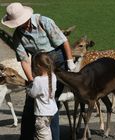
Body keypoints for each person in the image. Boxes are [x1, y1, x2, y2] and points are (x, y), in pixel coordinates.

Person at [1, 2, 76, 140]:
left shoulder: (44, 22)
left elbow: (63, 41)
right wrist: (32, 81)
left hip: (57, 60)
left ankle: (53, 137)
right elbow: (24, 60)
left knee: (51, 103)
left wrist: (70, 62)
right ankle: (26, 137)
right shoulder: (18, 36)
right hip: (39, 65)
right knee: (30, 103)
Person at [27, 52, 57, 140]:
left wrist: (28, 89)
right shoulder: (53, 76)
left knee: (43, 136)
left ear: (39, 66)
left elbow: (33, 94)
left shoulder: (38, 80)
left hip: (42, 114)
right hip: (51, 111)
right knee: (46, 132)